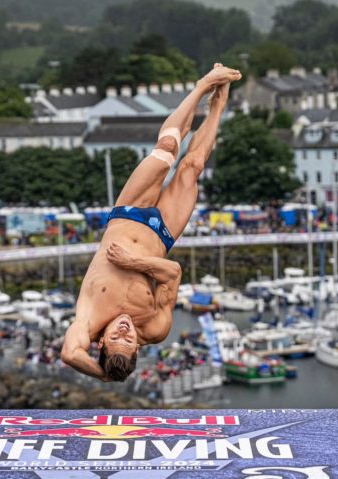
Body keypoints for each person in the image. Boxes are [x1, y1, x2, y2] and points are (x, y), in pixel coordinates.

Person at [61, 63, 241, 382]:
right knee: (193, 166)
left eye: (116, 338)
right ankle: (218, 104)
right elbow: (172, 272)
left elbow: (69, 354)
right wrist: (133, 262)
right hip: (162, 235)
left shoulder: (88, 320)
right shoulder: (154, 329)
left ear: (99, 342)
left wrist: (103, 376)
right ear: (137, 347)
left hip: (128, 213)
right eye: (129, 341)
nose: (125, 331)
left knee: (168, 149)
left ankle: (201, 86)